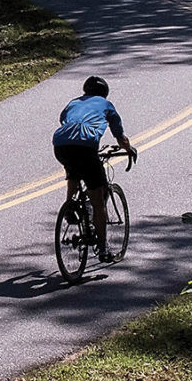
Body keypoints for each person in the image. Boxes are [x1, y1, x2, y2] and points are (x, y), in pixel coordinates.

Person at [53, 75, 135, 263]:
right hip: (86, 147)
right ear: (104, 93)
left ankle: (70, 205)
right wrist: (129, 150)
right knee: (98, 201)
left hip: (60, 144)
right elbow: (119, 136)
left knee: (73, 170)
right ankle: (103, 247)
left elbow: (64, 120)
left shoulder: (73, 103)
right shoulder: (106, 105)